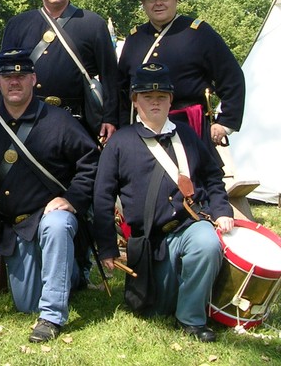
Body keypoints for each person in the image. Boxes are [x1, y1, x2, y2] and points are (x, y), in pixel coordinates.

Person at [0, 49, 99, 342]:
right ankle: (70, 274)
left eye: (21, 76)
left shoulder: (59, 120)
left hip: (51, 216)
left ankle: (51, 317)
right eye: (8, 77)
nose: (14, 83)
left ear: (33, 79)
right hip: (16, 225)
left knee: (57, 226)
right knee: (25, 304)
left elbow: (92, 161)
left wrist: (72, 199)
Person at [94, 62, 235, 343]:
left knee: (207, 244)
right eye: (147, 97)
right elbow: (102, 197)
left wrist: (221, 210)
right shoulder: (120, 142)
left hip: (189, 224)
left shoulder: (187, 134)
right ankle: (179, 297)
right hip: (149, 241)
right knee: (156, 309)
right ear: (135, 100)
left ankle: (192, 319)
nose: (154, 103)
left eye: (161, 97)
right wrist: (108, 246)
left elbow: (212, 176)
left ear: (171, 99)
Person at [118, 0, 245, 151]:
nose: (158, 3)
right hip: (142, 131)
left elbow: (232, 77)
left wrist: (225, 123)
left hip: (190, 129)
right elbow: (121, 89)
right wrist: (124, 127)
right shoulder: (134, 39)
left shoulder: (199, 33)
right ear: (143, 2)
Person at [2, 0, 119, 142]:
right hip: (29, 116)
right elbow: (4, 74)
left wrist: (110, 117)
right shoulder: (18, 24)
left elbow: (110, 74)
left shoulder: (93, 23)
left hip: (77, 120)